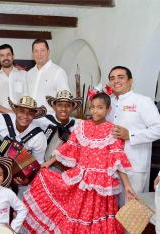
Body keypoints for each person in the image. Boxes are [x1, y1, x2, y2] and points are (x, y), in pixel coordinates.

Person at [22, 92, 137, 234]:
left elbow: (118, 159)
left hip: (100, 185)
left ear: (108, 110)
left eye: (100, 107)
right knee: (76, 214)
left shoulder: (113, 131)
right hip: (81, 180)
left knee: (95, 217)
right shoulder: (82, 127)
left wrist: (127, 186)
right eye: (92, 107)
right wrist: (49, 162)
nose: (95, 110)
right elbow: (68, 147)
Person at [106, 66, 160, 193]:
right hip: (111, 166)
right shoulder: (109, 103)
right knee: (113, 208)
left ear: (130, 81)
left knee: (133, 209)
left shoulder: (142, 101)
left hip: (135, 166)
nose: (116, 81)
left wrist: (130, 135)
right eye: (112, 78)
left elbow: (158, 128)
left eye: (121, 77)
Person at [0, 96, 47, 198]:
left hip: (18, 182)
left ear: (34, 115)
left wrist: (25, 179)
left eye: (30, 113)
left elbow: (38, 165)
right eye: (22, 111)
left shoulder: (39, 137)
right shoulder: (2, 119)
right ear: (15, 110)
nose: (25, 116)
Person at [35, 90, 82, 162]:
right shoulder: (43, 121)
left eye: (68, 106)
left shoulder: (78, 124)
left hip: (66, 164)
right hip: (42, 161)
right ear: (54, 107)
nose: (63, 109)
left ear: (72, 108)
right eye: (60, 105)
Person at [27, 39, 70, 112]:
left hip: (49, 120)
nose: (39, 54)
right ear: (33, 53)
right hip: (30, 119)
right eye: (36, 51)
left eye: (42, 50)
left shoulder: (58, 72)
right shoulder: (29, 73)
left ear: (48, 52)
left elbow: (65, 100)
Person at [0, 44, 28, 113]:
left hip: (21, 117)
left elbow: (28, 98)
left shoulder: (24, 74)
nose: (5, 58)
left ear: (13, 56)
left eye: (8, 54)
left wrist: (19, 113)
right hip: (0, 117)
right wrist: (11, 113)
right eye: (2, 55)